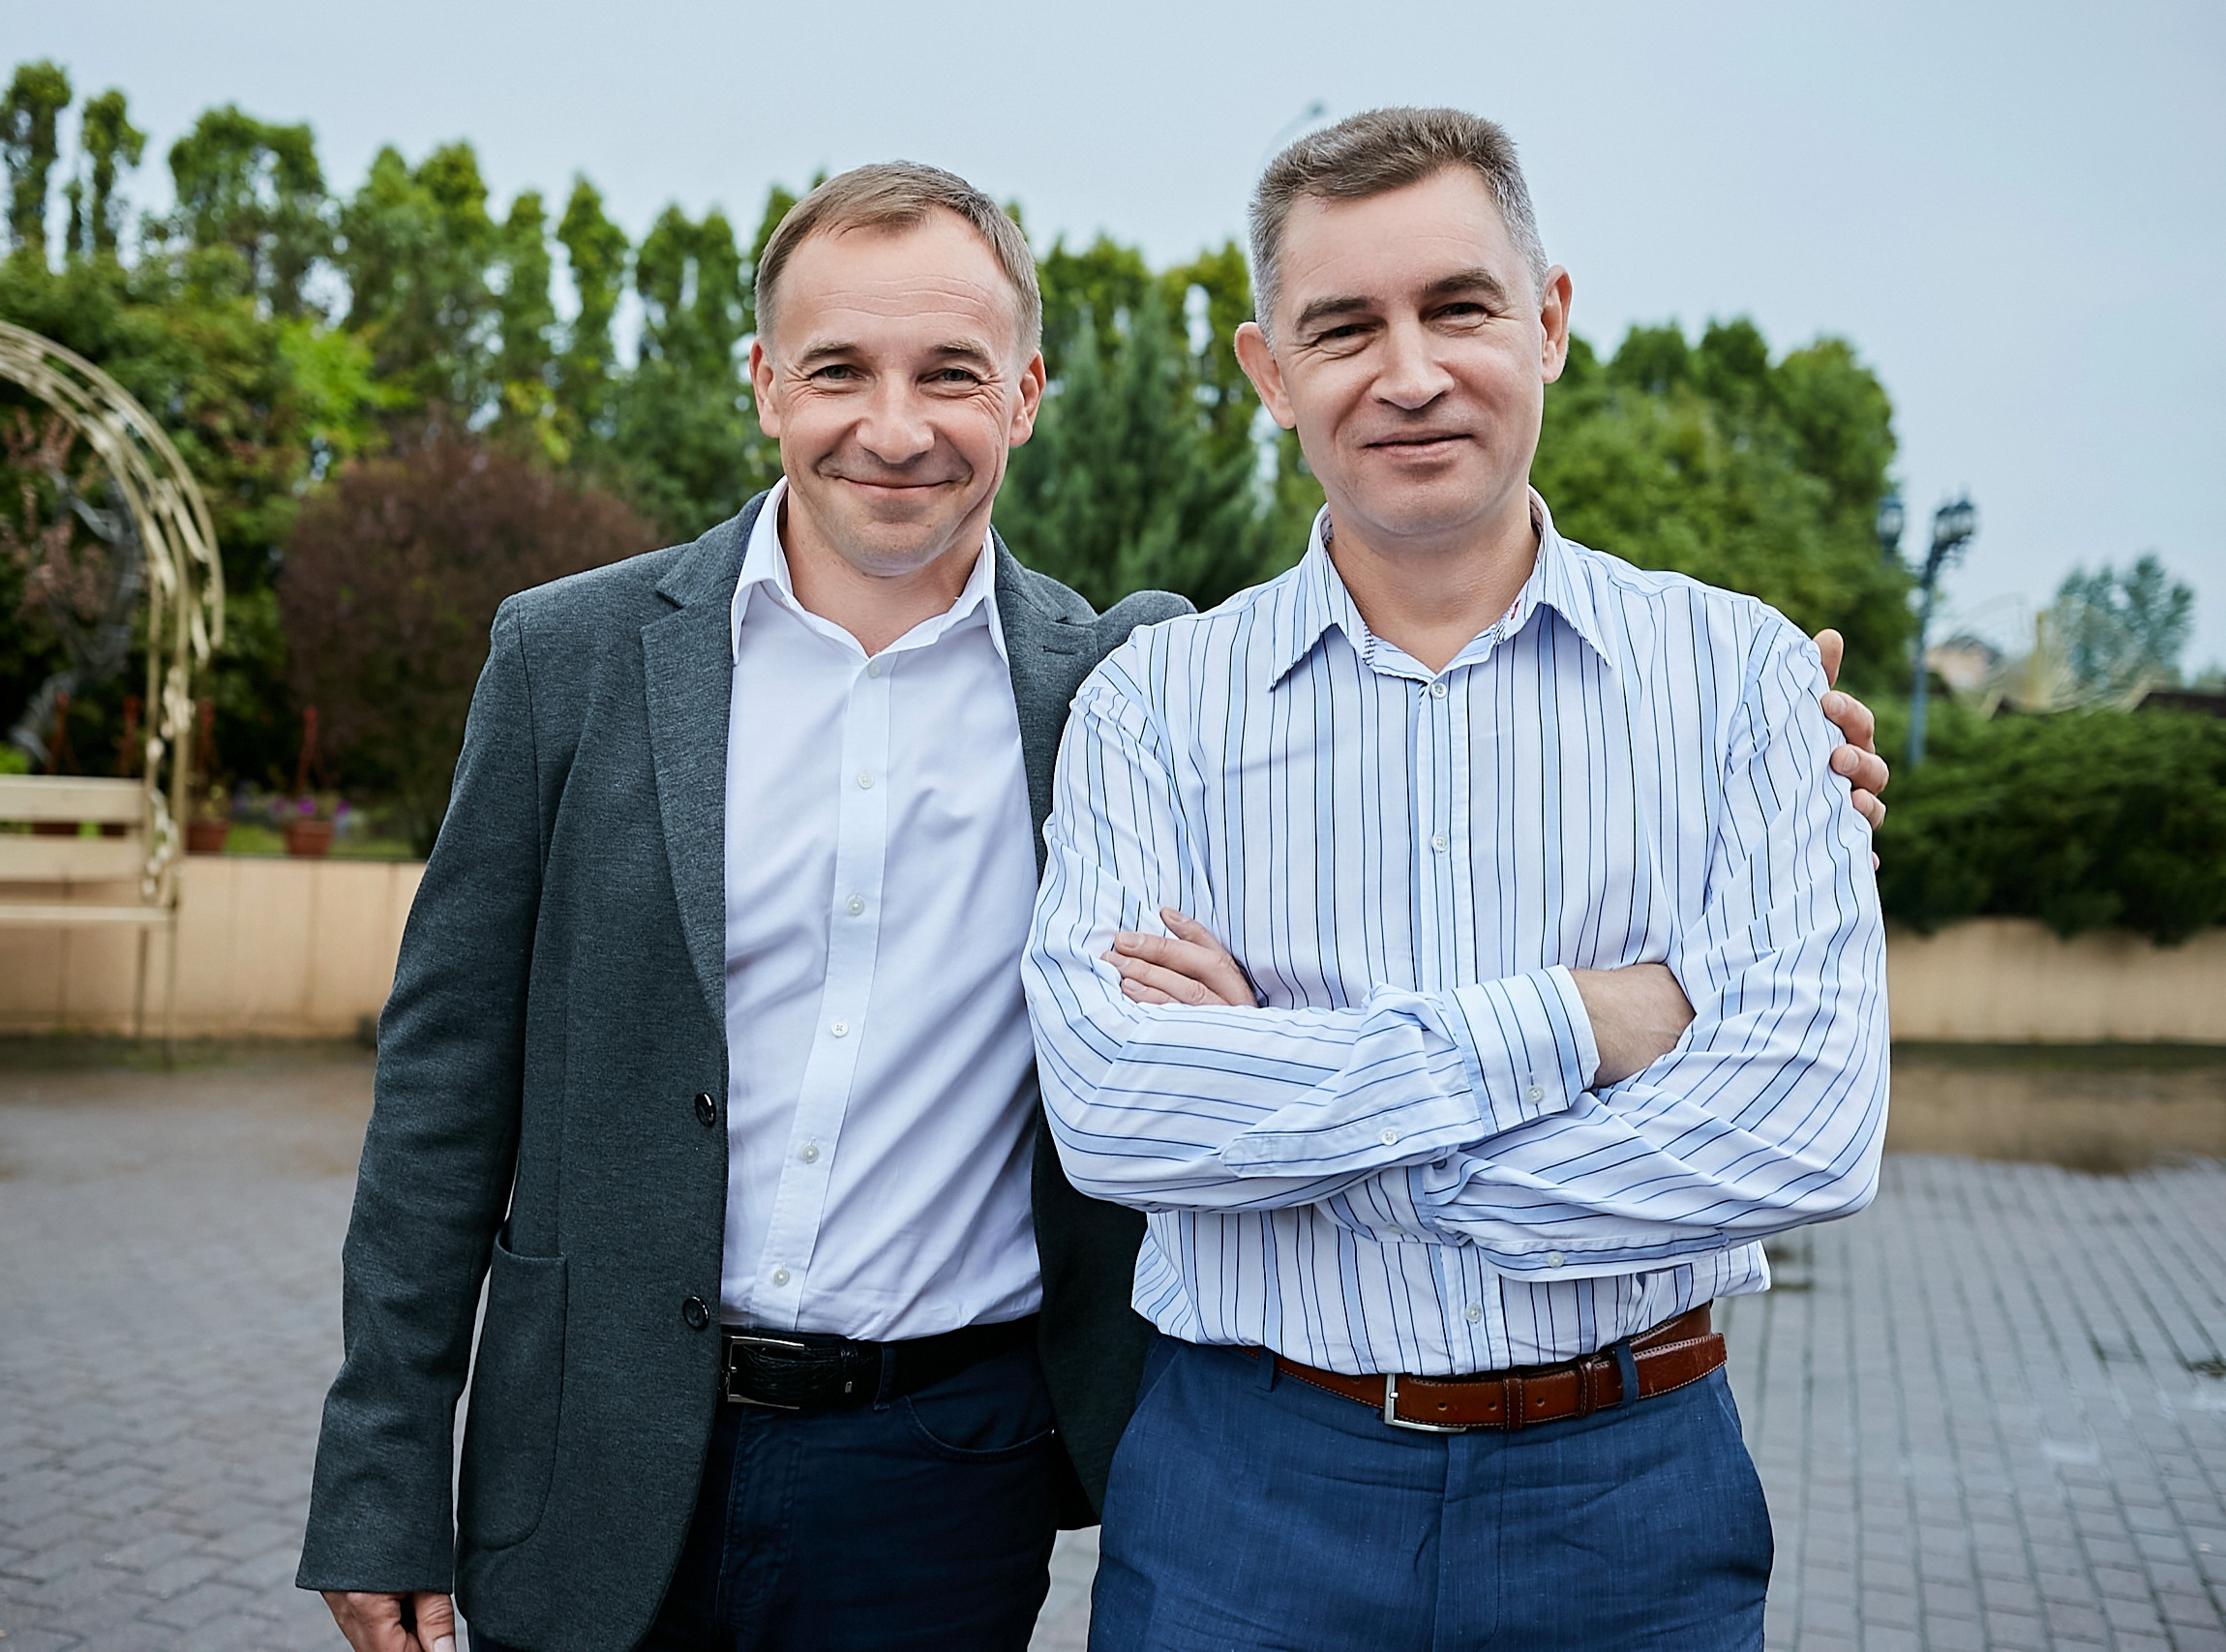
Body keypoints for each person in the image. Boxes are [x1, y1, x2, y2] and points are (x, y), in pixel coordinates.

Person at [300, 161, 1889, 1652]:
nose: (896, 426)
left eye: (952, 375)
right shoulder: (571, 660)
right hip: (588, 1443)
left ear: (1028, 397)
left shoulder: (1113, 683)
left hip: (949, 1459)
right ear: (768, 384)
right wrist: (379, 1481)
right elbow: (444, 1090)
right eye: (840, 369)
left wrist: (1783, 760)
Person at [1023, 107, 1892, 1652]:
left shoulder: (1742, 677)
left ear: (1548, 322)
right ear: (1267, 372)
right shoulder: (1152, 706)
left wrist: (1301, 1127)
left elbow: (1806, 1124)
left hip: (1628, 1492)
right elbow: (1114, 1111)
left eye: (1460, 306)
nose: (1409, 372)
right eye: (1344, 326)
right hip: (1248, 1491)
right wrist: (1581, 1023)